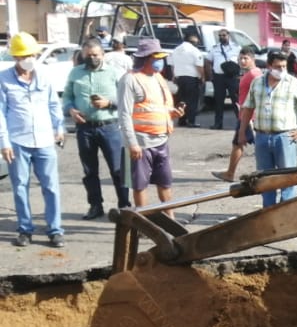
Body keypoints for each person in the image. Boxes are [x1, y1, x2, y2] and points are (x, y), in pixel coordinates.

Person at [0, 32, 65, 247]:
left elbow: (54, 104)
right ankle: (25, 229)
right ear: (16, 58)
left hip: (45, 139)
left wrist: (60, 127)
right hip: (18, 140)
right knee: (20, 185)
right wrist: (4, 142)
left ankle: (55, 230)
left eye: (31, 54)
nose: (28, 59)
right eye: (24, 55)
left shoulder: (44, 77)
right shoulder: (4, 79)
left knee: (51, 186)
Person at [239, 51, 297, 207]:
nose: (281, 70)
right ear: (269, 66)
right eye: (277, 66)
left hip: (285, 137)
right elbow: (248, 108)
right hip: (262, 136)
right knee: (264, 179)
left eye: (284, 66)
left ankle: (286, 211)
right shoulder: (258, 83)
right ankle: (268, 210)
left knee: (288, 178)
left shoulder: (293, 83)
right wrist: (242, 132)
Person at [118, 38, 184, 219]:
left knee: (165, 183)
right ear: (146, 58)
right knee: (139, 185)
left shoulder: (158, 78)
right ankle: (144, 222)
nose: (160, 61)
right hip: (140, 143)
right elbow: (124, 114)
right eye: (157, 57)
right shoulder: (130, 80)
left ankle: (171, 218)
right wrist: (132, 144)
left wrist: (173, 113)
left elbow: (159, 107)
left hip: (161, 140)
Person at [63, 38, 129, 220]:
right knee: (90, 171)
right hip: (85, 128)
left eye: (95, 55)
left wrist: (109, 102)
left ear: (103, 55)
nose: (92, 58)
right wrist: (70, 110)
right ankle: (95, 205)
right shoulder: (75, 73)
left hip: (110, 126)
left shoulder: (115, 73)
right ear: (83, 55)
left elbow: (127, 99)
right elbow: (67, 96)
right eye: (88, 55)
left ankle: (125, 206)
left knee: (118, 169)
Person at [212, 46, 262, 182]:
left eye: (245, 58)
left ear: (253, 59)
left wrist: (249, 114)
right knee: (241, 144)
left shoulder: (254, 75)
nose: (242, 61)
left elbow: (258, 95)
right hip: (245, 113)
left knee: (242, 144)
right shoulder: (248, 74)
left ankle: (230, 174)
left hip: (248, 115)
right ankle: (230, 173)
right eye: (240, 58)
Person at [205, 28, 238, 130]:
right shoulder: (215, 48)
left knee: (235, 100)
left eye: (224, 35)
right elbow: (208, 61)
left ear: (228, 36)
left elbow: (243, 60)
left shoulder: (236, 47)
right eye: (220, 36)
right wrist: (210, 75)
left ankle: (241, 123)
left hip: (232, 77)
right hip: (219, 77)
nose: (221, 37)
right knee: (219, 101)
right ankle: (218, 123)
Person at [170, 32, 204, 128]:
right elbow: (199, 66)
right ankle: (191, 121)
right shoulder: (194, 50)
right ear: (193, 41)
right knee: (192, 101)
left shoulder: (176, 50)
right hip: (191, 78)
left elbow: (172, 65)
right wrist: (202, 77)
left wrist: (174, 76)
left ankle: (182, 120)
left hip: (179, 78)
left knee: (181, 100)